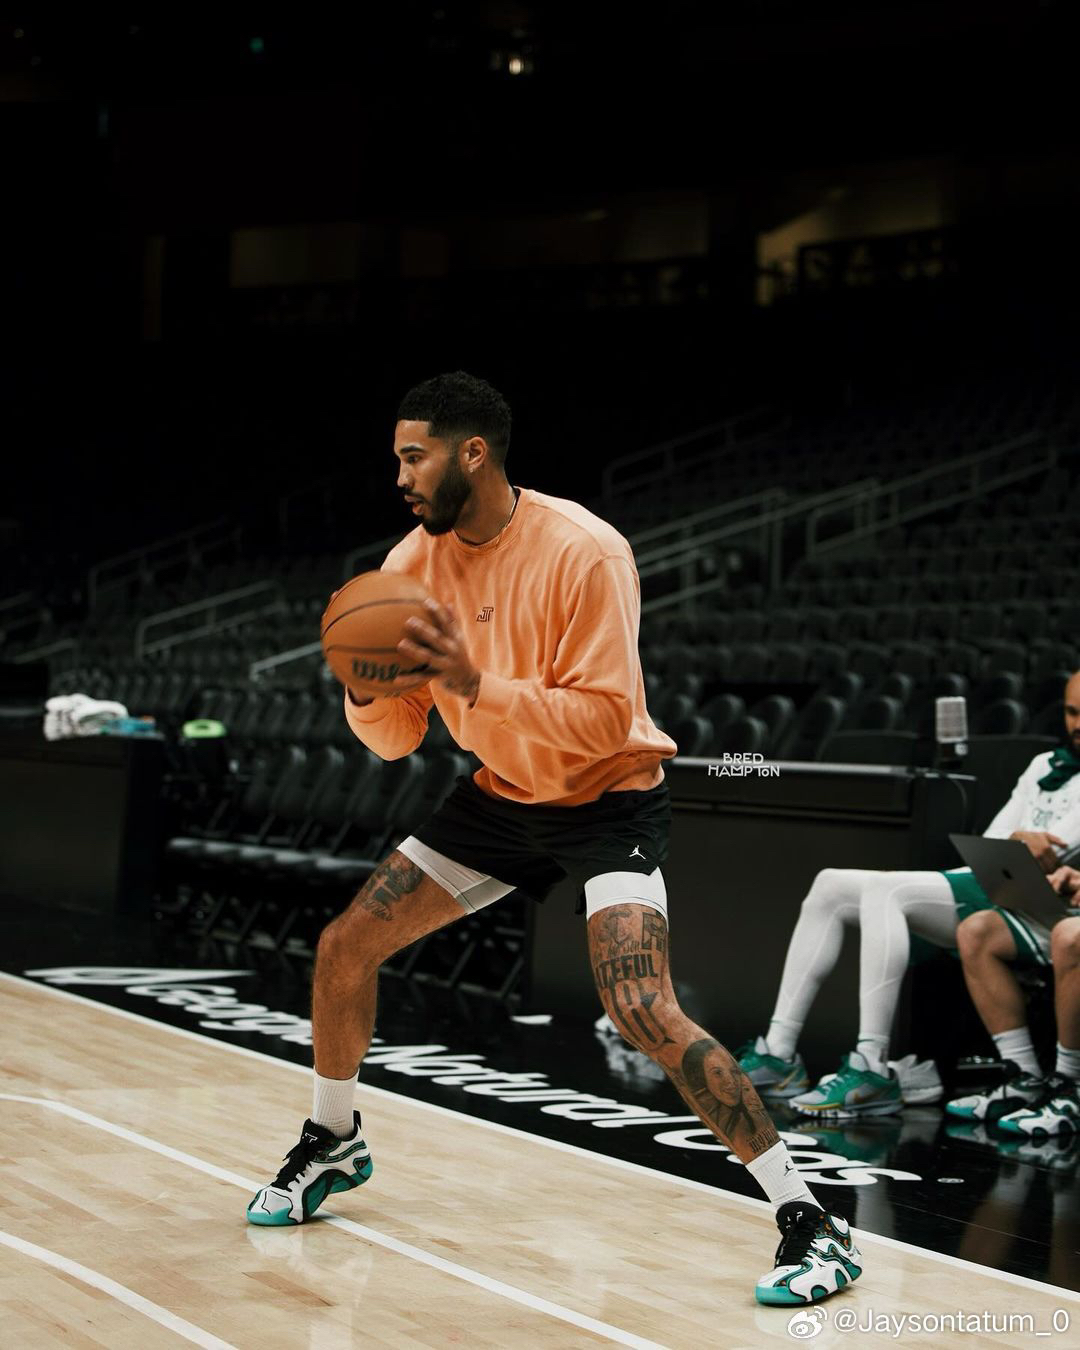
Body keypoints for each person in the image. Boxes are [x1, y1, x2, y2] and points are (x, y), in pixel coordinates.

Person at [248, 371, 862, 1306]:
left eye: (414, 457)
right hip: (501, 797)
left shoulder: (586, 551)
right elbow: (398, 740)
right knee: (344, 948)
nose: (400, 477)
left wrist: (476, 686)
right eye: (396, 459)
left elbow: (608, 719)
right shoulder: (408, 568)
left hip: (609, 797)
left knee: (640, 1007)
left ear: (473, 453)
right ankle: (335, 1140)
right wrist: (366, 692)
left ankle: (813, 1221)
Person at [737, 670, 1080, 1119]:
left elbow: (1055, 849)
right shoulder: (1042, 764)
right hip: (998, 881)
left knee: (887, 889)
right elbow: (997, 840)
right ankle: (779, 1052)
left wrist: (1022, 842)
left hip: (1045, 907)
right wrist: (1021, 841)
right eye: (1072, 712)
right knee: (829, 884)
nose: (1077, 724)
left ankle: (871, 1064)